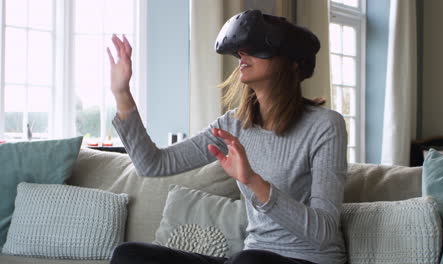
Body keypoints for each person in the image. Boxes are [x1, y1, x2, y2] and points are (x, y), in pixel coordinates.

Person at [107, 10, 348, 264]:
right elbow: (153, 164)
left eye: (255, 47)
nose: (242, 54)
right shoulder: (234, 124)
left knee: (250, 261)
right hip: (248, 258)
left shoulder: (325, 125)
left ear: (292, 62)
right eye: (241, 49)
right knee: (129, 255)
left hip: (308, 260)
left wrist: (253, 181)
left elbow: (323, 231)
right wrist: (122, 93)